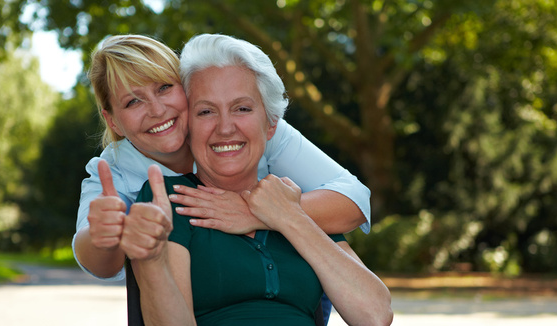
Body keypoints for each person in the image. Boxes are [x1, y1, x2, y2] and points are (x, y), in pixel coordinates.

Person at [126, 33, 484, 326]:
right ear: (189, 124)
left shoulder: (294, 203)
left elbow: (374, 314)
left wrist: (287, 218)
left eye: (242, 108)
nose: (225, 127)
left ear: (270, 124)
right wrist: (149, 257)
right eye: (206, 112)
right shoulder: (172, 199)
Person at [74, 34, 372, 284]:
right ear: (112, 121)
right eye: (132, 101)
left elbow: (355, 202)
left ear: (187, 89)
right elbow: (97, 260)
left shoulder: (251, 125)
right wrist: (103, 236)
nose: (156, 110)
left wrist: (253, 212)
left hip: (289, 294)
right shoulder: (113, 172)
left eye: (164, 87)